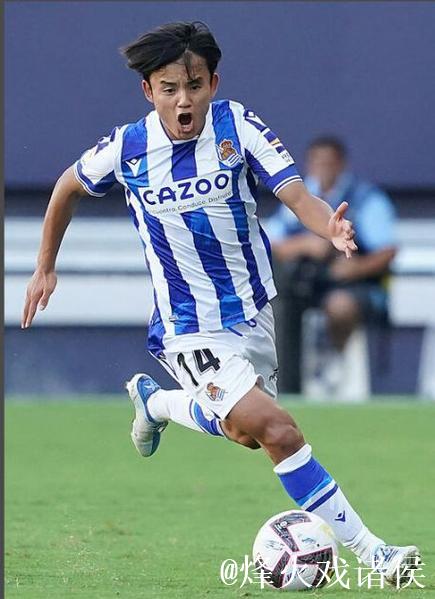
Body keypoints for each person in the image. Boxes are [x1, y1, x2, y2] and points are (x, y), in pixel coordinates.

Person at [21, 21, 419, 586]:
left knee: (244, 432)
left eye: (194, 85)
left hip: (253, 312)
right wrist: (45, 266)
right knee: (278, 432)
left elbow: (296, 194)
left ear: (213, 82)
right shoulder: (128, 148)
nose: (183, 100)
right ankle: (375, 553)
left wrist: (328, 227)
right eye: (169, 88)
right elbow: (67, 186)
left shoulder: (237, 126)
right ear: (148, 91)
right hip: (186, 325)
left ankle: (157, 404)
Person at [264, 137, 397, 395]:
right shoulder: (300, 196)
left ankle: (337, 360)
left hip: (354, 284)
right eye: (317, 163)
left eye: (329, 163)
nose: (322, 169)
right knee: (278, 303)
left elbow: (387, 250)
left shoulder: (364, 199)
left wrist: (356, 268)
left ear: (341, 164)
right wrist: (305, 245)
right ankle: (287, 381)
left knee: (340, 305)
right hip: (306, 283)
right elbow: (271, 241)